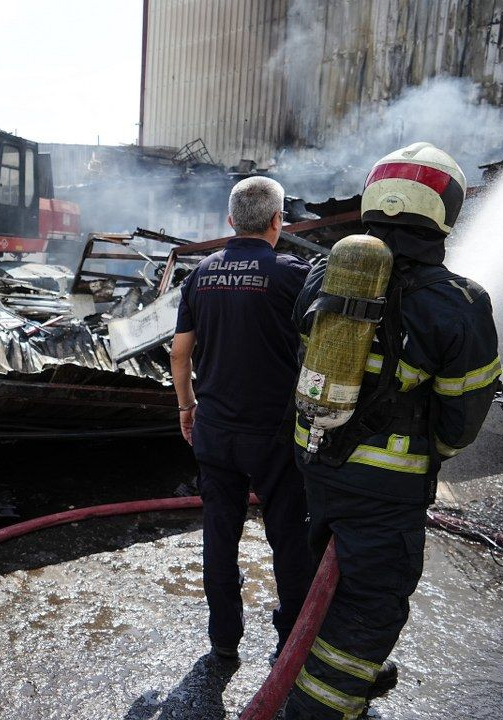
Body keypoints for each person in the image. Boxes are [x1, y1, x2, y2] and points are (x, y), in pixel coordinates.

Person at [284, 143, 501, 719]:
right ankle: (320, 707)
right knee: (369, 606)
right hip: (386, 490)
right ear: (444, 211)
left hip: (318, 462)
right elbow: (461, 419)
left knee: (327, 577)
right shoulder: (460, 304)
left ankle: (314, 665)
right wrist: (429, 452)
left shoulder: (317, 278)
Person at [170, 176, 313, 663]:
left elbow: (179, 354)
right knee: (289, 536)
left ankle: (224, 641)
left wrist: (187, 407)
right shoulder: (294, 274)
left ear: (230, 221)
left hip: (215, 429)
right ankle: (290, 642)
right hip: (275, 434)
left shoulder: (199, 275)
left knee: (219, 534)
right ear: (278, 221)